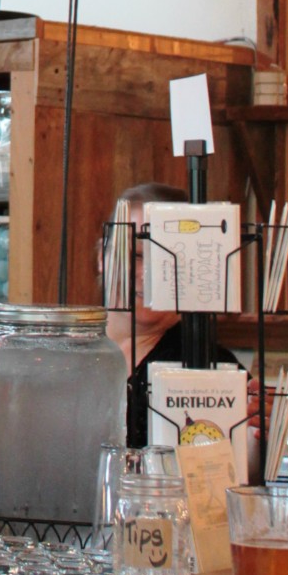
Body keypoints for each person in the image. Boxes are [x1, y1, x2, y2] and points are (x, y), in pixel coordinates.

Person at [103, 180, 239, 445]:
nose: (151, 275)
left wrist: (257, 437)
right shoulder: (68, 350)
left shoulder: (208, 367)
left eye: (168, 261)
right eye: (138, 256)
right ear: (101, 256)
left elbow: (232, 470)